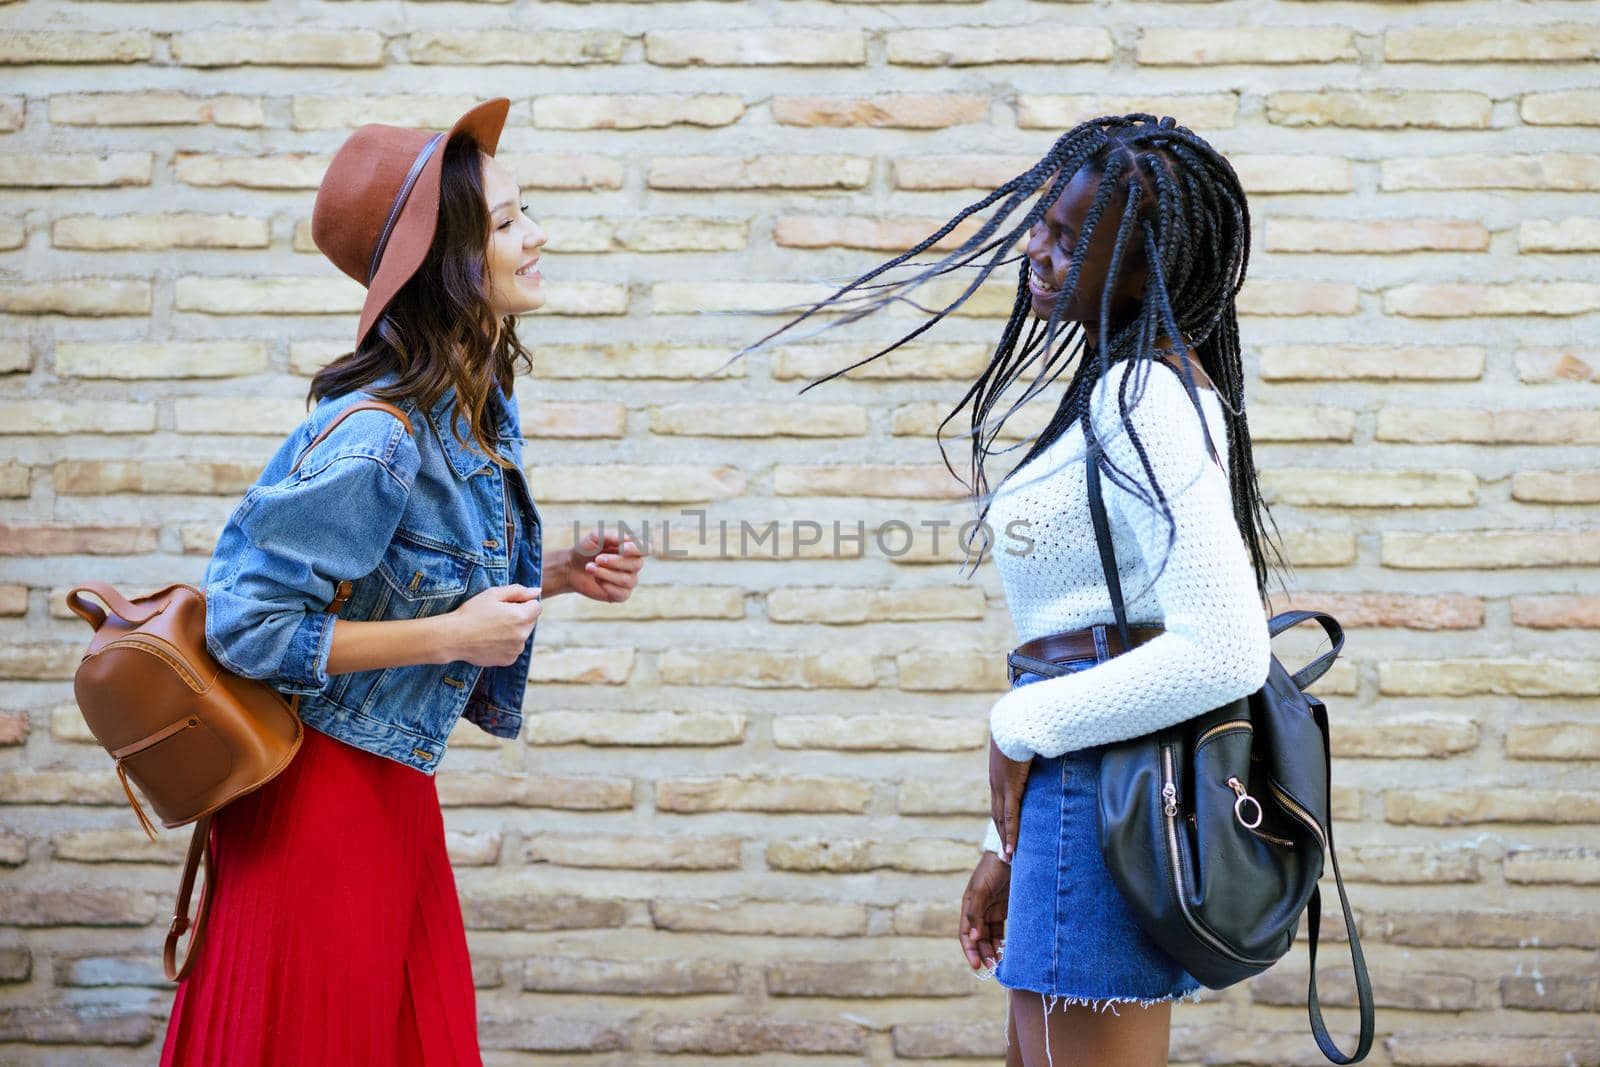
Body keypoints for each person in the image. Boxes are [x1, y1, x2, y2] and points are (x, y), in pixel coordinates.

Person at [742, 114, 1285, 1067]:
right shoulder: (1115, 390)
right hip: (1075, 797)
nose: (1035, 245)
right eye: (1042, 220)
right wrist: (1000, 839)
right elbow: (1073, 635)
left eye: (1070, 235)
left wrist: (1013, 727)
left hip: (1101, 798)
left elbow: (1225, 649)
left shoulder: (1146, 399)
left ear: (1143, 261)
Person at [159, 97, 646, 1066]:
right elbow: (248, 627)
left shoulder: (464, 411)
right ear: (444, 261)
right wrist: (451, 637)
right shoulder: (379, 430)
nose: (536, 235)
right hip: (318, 800)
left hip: (385, 789)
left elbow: (396, 584)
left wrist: (550, 575)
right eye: (507, 223)